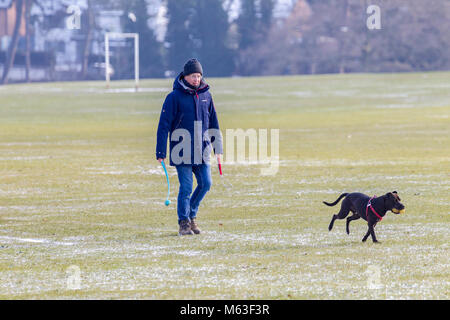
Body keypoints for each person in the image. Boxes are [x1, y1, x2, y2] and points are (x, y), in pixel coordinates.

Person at [156, 59, 223, 236]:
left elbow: (213, 122)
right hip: (182, 149)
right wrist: (160, 151)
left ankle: (191, 215)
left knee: (206, 183)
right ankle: (184, 223)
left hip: (202, 149)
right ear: (185, 76)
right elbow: (164, 125)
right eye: (193, 76)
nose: (196, 79)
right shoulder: (173, 97)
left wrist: (218, 148)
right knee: (186, 187)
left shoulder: (206, 96)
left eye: (199, 76)